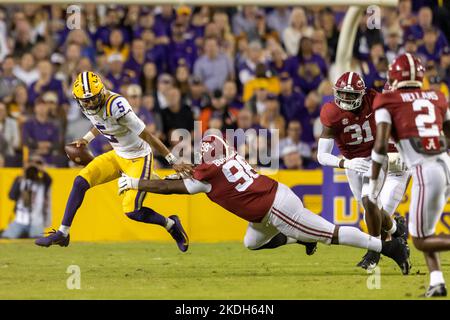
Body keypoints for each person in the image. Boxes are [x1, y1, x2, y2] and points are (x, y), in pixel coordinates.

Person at [118, 134, 410, 274]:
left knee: (331, 234)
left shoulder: (205, 174)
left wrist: (135, 183)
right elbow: (197, 174)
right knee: (251, 243)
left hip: (277, 208)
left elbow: (173, 189)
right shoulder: (227, 158)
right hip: (265, 210)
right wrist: (177, 171)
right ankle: (300, 241)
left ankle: (388, 247)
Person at [35, 72, 193, 252]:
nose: (90, 104)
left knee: (132, 210)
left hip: (138, 157)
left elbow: (148, 135)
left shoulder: (117, 106)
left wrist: (172, 159)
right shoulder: (88, 104)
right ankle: (63, 233)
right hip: (117, 154)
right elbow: (101, 122)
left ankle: (171, 225)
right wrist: (87, 139)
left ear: (101, 93)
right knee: (80, 182)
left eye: (93, 99)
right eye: (85, 101)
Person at [370, 53, 450, 297]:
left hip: (426, 170)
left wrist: (373, 183)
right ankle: (436, 281)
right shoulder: (437, 96)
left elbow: (381, 145)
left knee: (419, 239)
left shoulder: (387, 100)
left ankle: (436, 280)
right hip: (445, 163)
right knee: (426, 229)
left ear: (394, 76)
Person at [317, 71, 410, 271]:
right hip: (354, 163)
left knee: (369, 200)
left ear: (362, 93)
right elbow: (321, 156)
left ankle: (374, 251)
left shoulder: (376, 101)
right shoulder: (331, 112)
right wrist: (346, 164)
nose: (346, 98)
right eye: (342, 93)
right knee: (370, 208)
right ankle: (397, 228)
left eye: (351, 95)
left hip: (378, 157)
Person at [1, 157, 51, 239]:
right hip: (20, 219)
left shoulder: (43, 182)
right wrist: (23, 174)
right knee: (5, 238)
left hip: (36, 221)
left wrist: (39, 168)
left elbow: (49, 179)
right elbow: (11, 196)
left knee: (37, 242)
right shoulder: (20, 180)